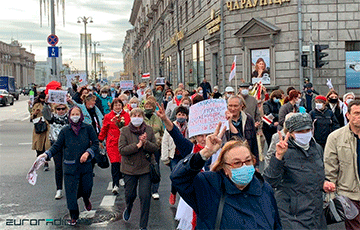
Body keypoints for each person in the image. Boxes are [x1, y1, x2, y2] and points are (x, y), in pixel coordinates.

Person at [170, 123, 282, 229]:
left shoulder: (264, 189)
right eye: (237, 163)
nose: (244, 166)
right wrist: (205, 153)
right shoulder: (208, 187)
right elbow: (178, 178)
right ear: (225, 168)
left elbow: (276, 224)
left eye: (248, 161)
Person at [37, 106, 99, 226]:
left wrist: (88, 152)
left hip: (85, 166)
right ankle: (74, 216)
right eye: (72, 114)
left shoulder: (88, 128)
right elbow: (57, 146)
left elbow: (95, 143)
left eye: (77, 114)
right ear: (69, 116)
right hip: (70, 167)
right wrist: (46, 154)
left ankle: (86, 198)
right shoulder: (65, 130)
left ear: (81, 115)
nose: (75, 116)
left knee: (87, 188)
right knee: (71, 193)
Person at [263, 113, 327, 229]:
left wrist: (324, 183)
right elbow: (270, 181)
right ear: (290, 133)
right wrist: (278, 157)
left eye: (307, 130)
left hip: (316, 213)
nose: (305, 134)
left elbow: (318, 174)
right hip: (292, 215)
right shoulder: (284, 150)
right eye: (300, 131)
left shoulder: (316, 148)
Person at [119, 108, 159, 230]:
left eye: (139, 115)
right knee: (130, 195)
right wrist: (137, 145)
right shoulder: (125, 131)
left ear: (142, 117)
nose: (137, 117)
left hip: (145, 168)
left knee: (145, 196)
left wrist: (145, 142)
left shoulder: (149, 130)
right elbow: (122, 150)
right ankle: (129, 207)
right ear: (131, 117)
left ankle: (143, 225)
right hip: (129, 169)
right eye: (134, 115)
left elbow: (155, 148)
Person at [324, 100, 360, 229]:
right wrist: (331, 195)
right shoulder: (335, 137)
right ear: (348, 115)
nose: (359, 117)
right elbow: (330, 166)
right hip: (349, 194)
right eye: (356, 113)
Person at [98, 99, 130, 194]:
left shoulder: (126, 115)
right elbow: (104, 128)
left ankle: (122, 177)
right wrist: (100, 139)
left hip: (124, 142)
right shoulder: (108, 116)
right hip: (112, 143)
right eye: (115, 105)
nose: (117, 107)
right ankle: (115, 184)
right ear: (112, 107)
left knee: (123, 161)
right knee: (115, 163)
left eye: (119, 105)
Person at [161, 106, 189, 205]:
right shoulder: (171, 125)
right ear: (176, 115)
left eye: (183, 115)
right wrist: (165, 158)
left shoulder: (190, 126)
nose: (181, 116)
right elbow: (165, 141)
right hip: (174, 155)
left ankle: (184, 198)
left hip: (186, 155)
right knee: (175, 175)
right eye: (179, 114)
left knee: (186, 176)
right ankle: (173, 192)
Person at [42, 103, 69, 200]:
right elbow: (45, 113)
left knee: (69, 166)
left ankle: (70, 187)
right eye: (58, 109)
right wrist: (46, 103)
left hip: (68, 146)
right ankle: (59, 189)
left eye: (62, 109)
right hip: (56, 145)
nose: (61, 111)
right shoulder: (52, 118)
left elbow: (79, 113)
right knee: (58, 167)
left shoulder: (69, 118)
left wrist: (70, 101)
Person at [225, 95, 259, 165]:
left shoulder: (248, 118)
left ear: (241, 106)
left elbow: (254, 142)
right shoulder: (223, 120)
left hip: (245, 157)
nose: (232, 108)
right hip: (229, 158)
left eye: (235, 106)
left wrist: (256, 164)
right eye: (230, 106)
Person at [143, 100, 164, 200]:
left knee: (155, 166)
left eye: (150, 106)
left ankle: (155, 190)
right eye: (146, 105)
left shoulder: (157, 118)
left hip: (156, 145)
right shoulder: (141, 117)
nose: (148, 107)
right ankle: (146, 188)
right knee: (144, 167)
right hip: (143, 146)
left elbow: (160, 129)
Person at [31, 92, 51, 171]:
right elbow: (31, 116)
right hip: (38, 127)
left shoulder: (49, 104)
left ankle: (46, 163)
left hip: (46, 127)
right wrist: (35, 113)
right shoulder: (36, 105)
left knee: (46, 146)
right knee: (39, 147)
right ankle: (40, 161)